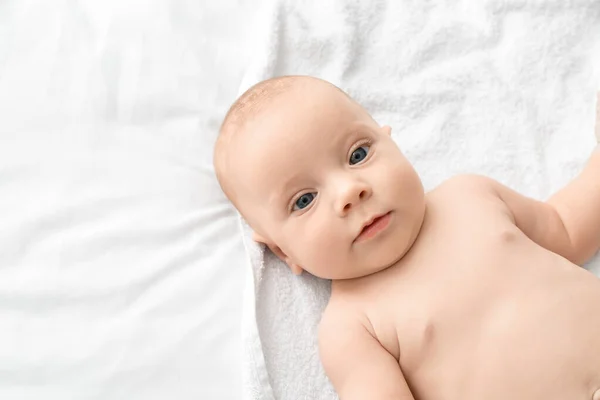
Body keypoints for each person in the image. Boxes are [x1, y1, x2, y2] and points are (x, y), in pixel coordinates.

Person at [214, 75, 600, 400]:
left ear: (391, 143)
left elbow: (565, 228)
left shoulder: (471, 196)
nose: (350, 192)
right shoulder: (353, 328)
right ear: (283, 251)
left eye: (358, 154)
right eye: (304, 200)